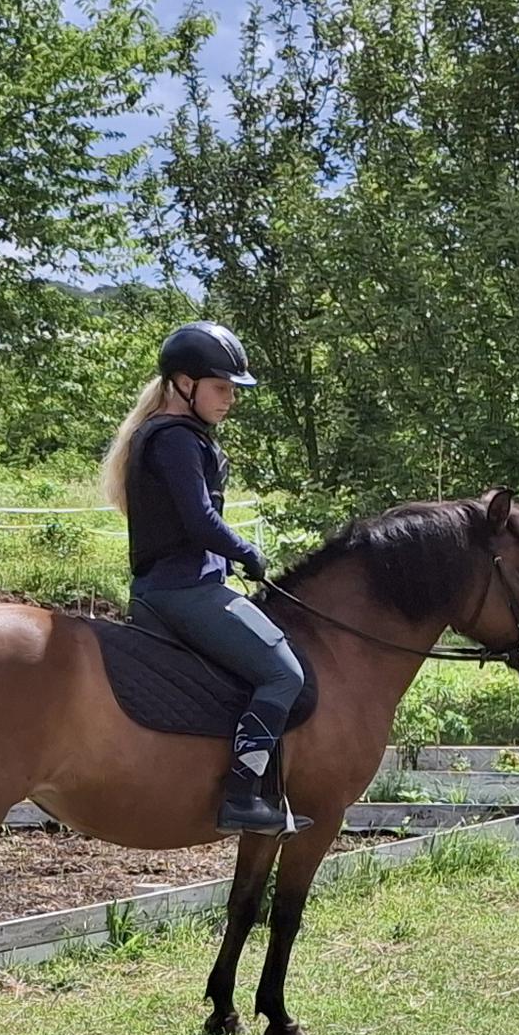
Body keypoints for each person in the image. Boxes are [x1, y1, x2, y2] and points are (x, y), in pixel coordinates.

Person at [101, 320, 303, 835]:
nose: (230, 399)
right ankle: (241, 796)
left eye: (233, 389)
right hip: (186, 592)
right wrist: (247, 551)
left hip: (165, 588)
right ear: (183, 384)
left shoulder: (163, 434)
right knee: (285, 674)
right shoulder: (177, 439)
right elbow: (199, 520)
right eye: (220, 387)